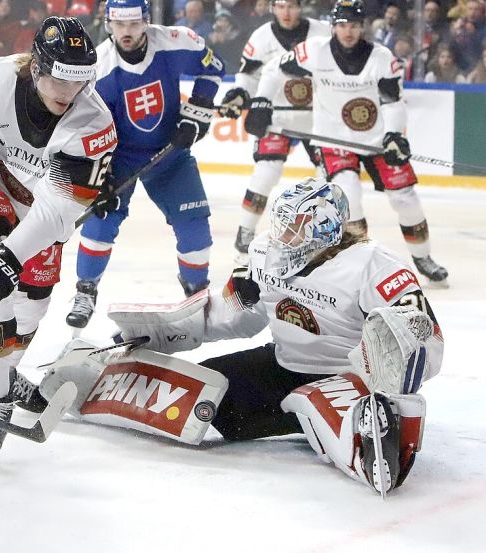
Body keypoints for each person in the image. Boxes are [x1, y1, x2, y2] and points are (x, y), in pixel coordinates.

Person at [42, 177, 444, 494]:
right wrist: (159, 334)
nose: (282, 235)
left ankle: (377, 427)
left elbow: (426, 339)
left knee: (335, 425)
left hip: (347, 379)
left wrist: (400, 354)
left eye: (294, 228)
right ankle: (99, 376)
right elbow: (236, 319)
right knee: (195, 400)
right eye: (281, 224)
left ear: (322, 229)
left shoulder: (373, 264)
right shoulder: (264, 252)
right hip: (282, 366)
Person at [0, 16, 116, 456]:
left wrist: (8, 262)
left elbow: (57, 210)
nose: (69, 95)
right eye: (60, 81)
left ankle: (7, 375)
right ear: (36, 67)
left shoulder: (93, 123)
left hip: (40, 203)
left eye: (80, 80)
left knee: (34, 300)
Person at [245, 0, 449, 285]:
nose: (348, 32)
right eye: (342, 25)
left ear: (362, 27)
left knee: (406, 199)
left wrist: (394, 135)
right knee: (348, 193)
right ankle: (360, 263)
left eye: (353, 25)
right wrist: (261, 102)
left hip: (376, 140)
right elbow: (271, 71)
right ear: (333, 27)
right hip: (334, 140)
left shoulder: (381, 57)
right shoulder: (313, 51)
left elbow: (393, 102)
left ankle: (423, 257)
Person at [66, 0, 225, 332]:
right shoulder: (98, 71)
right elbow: (87, 129)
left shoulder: (176, 40)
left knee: (195, 227)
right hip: (119, 158)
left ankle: (196, 291)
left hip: (170, 155)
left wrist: (197, 111)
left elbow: (213, 68)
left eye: (134, 24)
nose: (127, 32)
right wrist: (99, 176)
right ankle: (85, 290)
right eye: (119, 25)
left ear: (146, 21)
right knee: (100, 223)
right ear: (108, 23)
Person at [219, 0, 329, 264]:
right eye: (281, 6)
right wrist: (240, 95)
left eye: (291, 6)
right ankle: (245, 232)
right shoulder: (261, 37)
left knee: (328, 177)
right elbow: (247, 76)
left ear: (300, 6)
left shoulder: (323, 32)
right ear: (272, 8)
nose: (287, 12)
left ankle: (322, 235)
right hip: (276, 116)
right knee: (266, 173)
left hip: (316, 117)